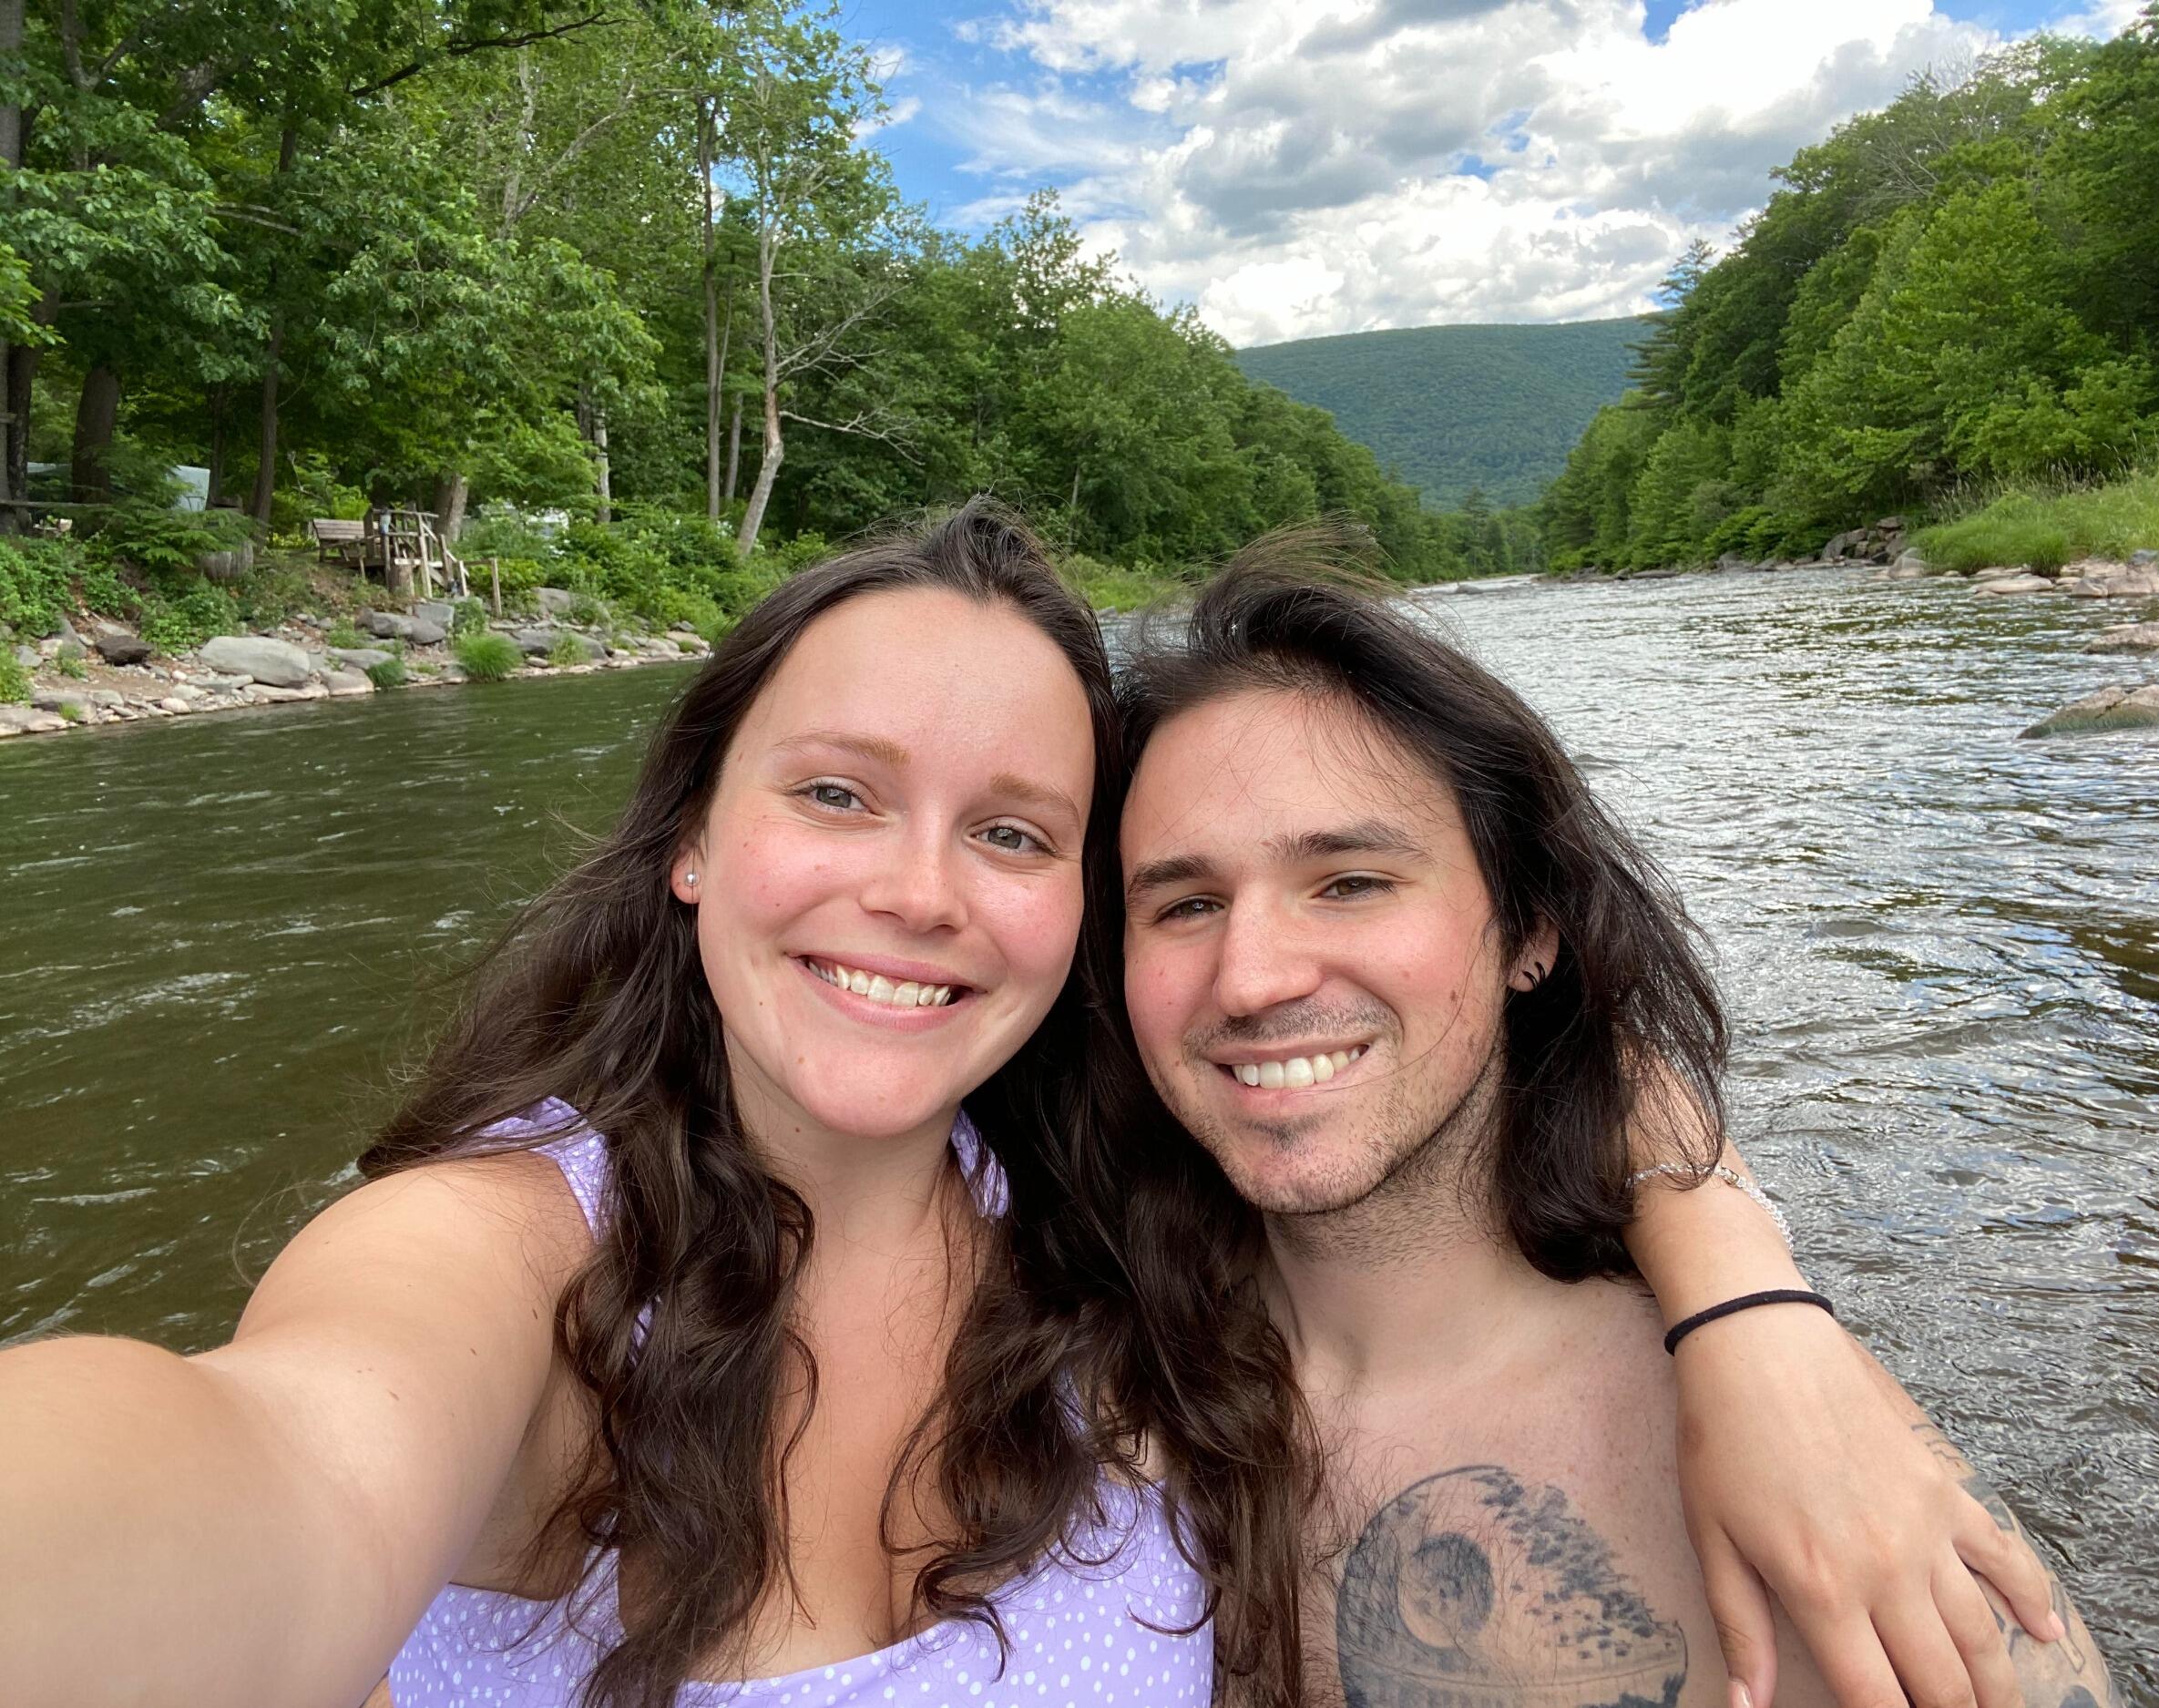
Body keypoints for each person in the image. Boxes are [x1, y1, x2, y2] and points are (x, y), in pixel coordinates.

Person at [0, 503, 2052, 1708]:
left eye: (1010, 828)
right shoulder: (517, 1261)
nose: (913, 887)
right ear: (690, 841)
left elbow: (1509, 1038)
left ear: (1057, 922)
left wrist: (1746, 1303)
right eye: (832, 792)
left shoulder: (1106, 1225)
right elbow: (272, 1464)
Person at [1099, 539, 2124, 1708]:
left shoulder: (1781, 1458)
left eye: (1350, 882)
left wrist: (1745, 1292)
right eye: (1184, 904)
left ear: (1531, 929)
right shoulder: (1073, 1359)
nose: (1250, 978)